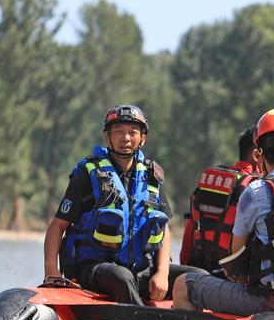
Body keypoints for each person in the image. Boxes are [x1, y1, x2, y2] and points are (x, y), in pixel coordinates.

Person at [172, 106, 274, 317]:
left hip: (269, 301)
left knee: (183, 284)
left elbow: (236, 258)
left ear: (259, 154)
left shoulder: (258, 190)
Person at [43, 104, 203, 305]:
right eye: (118, 132)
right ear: (106, 136)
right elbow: (58, 225)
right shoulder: (88, 173)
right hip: (95, 267)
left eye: (132, 132)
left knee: (197, 277)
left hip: (142, 268)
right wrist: (51, 269)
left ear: (142, 138)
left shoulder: (152, 177)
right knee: (122, 277)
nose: (125, 138)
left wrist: (162, 273)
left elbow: (164, 229)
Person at [179, 126, 262, 272]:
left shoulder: (211, 179)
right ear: (257, 155)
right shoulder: (256, 188)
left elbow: (190, 229)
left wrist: (185, 269)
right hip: (231, 279)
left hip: (196, 272)